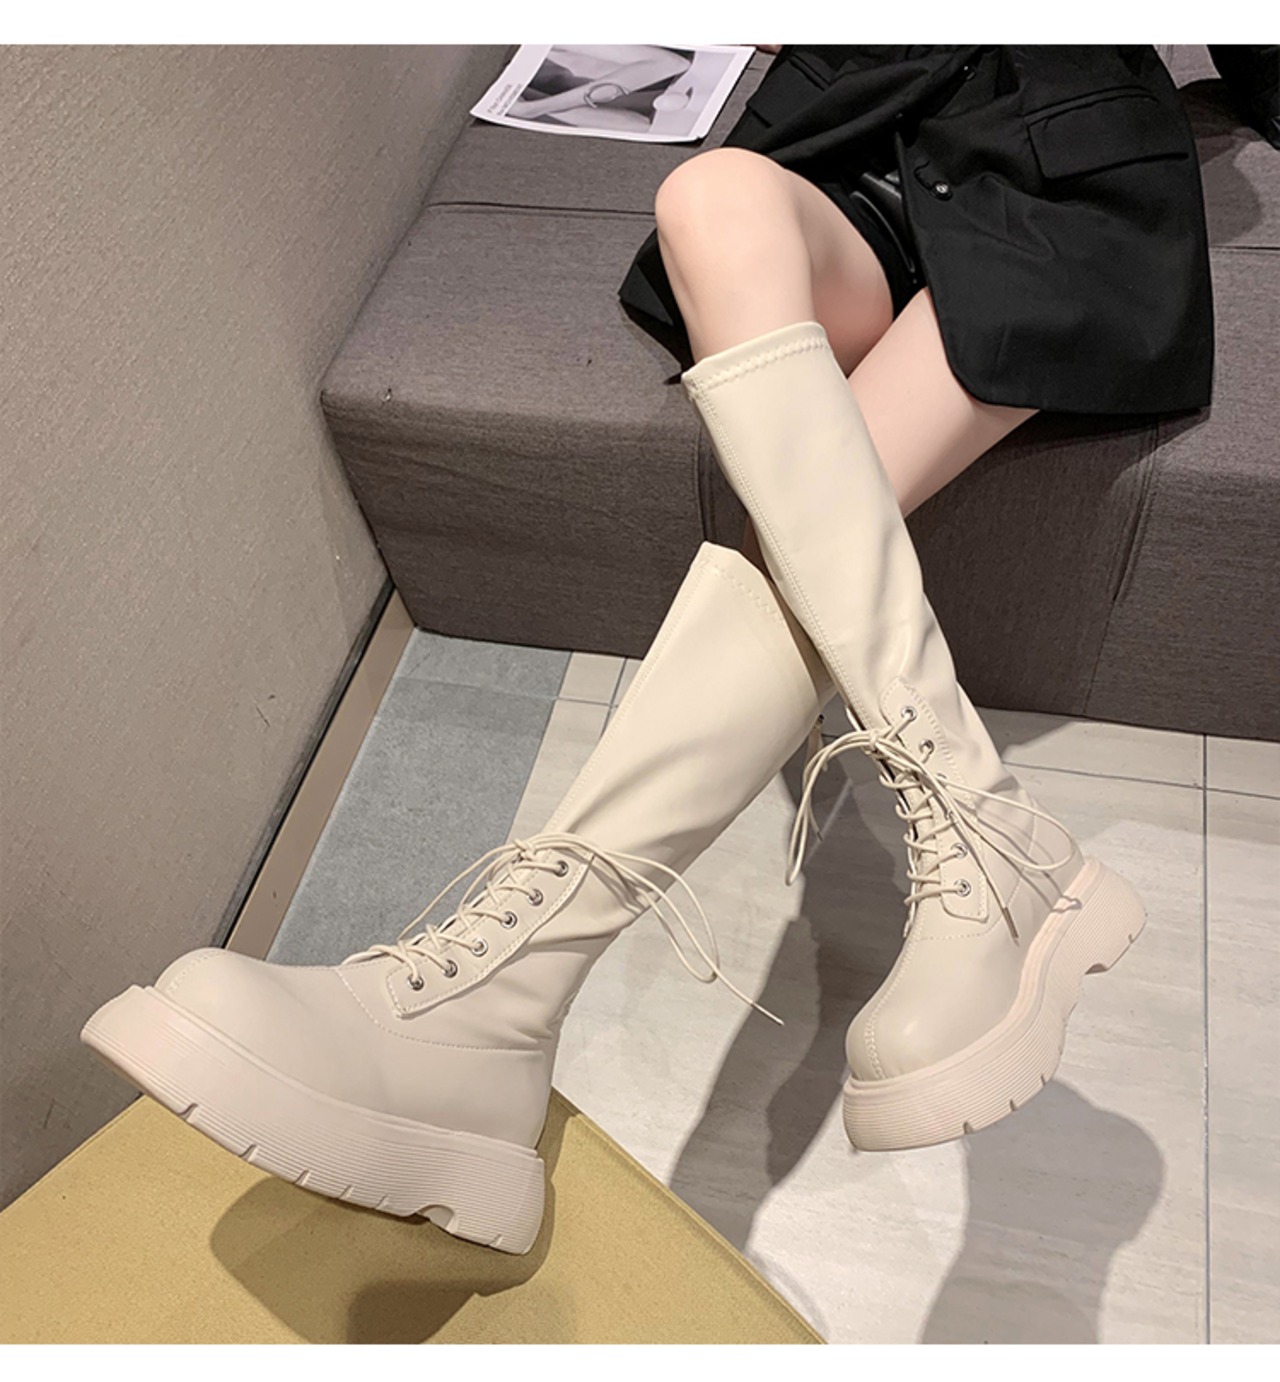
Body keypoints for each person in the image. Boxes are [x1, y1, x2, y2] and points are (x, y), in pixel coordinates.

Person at [81, 45, 1214, 1258]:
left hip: (1057, 176)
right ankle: (997, 848)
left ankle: (503, 1000)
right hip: (868, 153)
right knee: (706, 192)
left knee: (808, 529)